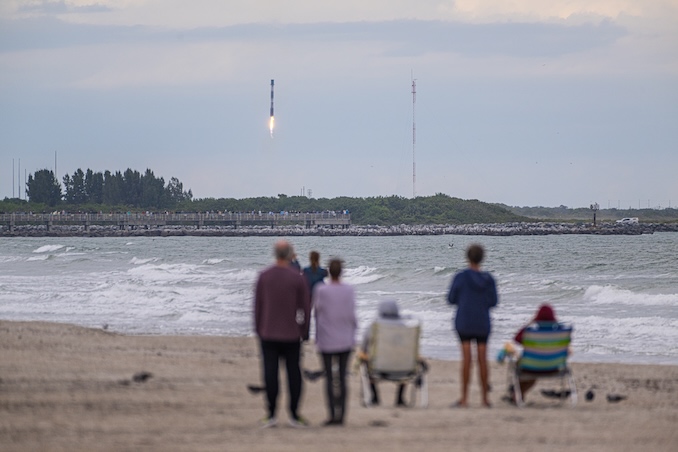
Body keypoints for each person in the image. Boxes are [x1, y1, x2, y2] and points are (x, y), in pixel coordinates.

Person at [254, 240, 311, 428]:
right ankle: (294, 414)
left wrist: (258, 329)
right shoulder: (297, 277)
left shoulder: (264, 276)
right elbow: (305, 308)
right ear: (290, 254)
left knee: (270, 373)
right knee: (294, 373)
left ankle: (271, 414)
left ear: (274, 253)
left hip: (268, 332)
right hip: (291, 333)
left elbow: (258, 306)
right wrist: (304, 331)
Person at [447, 243, 498, 408]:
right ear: (482, 258)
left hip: (464, 321)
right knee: (483, 359)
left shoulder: (460, 277)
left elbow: (451, 299)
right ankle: (484, 399)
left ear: (467, 257)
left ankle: (464, 399)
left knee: (467, 359)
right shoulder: (488, 279)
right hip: (482, 321)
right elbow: (493, 302)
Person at [313, 258, 357, 426]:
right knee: (343, 378)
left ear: (329, 272)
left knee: (330, 378)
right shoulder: (349, 290)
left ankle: (332, 414)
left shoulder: (321, 289)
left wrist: (317, 335)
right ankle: (342, 415)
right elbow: (352, 314)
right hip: (345, 338)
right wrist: (353, 332)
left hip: (326, 338)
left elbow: (317, 312)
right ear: (342, 272)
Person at [359, 299, 409, 406]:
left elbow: (364, 347)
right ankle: (400, 399)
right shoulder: (404, 328)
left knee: (366, 361)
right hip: (402, 370)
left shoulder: (373, 327)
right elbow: (408, 348)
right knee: (404, 360)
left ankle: (375, 398)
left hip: (377, 368)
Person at [509, 304, 561, 400]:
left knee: (526, 369)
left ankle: (517, 394)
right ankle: (518, 394)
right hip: (553, 368)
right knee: (532, 374)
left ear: (537, 318)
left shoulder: (530, 333)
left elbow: (517, 338)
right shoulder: (559, 335)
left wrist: (530, 322)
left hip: (531, 366)